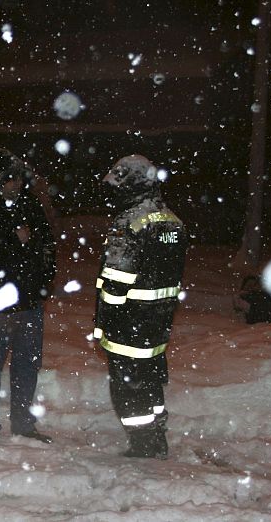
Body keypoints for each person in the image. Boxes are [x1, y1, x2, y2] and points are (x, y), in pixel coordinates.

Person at [94, 154, 187, 459]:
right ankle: (156, 435)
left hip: (128, 322)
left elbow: (117, 279)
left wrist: (104, 321)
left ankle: (142, 444)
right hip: (159, 322)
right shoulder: (173, 220)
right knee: (151, 378)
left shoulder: (130, 221)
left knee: (127, 387)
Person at [0, 148, 57, 442]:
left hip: (29, 302)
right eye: (9, 179)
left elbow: (47, 250)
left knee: (27, 363)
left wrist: (43, 284)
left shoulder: (32, 208)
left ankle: (22, 423)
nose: (15, 184)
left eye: (18, 178)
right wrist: (10, 239)